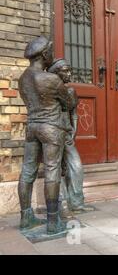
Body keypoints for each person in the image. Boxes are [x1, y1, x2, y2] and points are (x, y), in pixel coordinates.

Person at [18, 37, 76, 235]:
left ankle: (26, 217)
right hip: (51, 128)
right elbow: (68, 104)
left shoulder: (23, 78)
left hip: (32, 127)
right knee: (52, 170)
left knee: (27, 171)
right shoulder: (51, 79)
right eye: (51, 51)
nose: (52, 54)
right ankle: (53, 222)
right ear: (44, 55)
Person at [47, 59, 94, 214]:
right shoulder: (47, 91)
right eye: (65, 71)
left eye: (69, 70)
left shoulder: (70, 91)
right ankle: (61, 204)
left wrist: (74, 130)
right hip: (52, 134)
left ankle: (77, 202)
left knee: (76, 166)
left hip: (66, 134)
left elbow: (73, 113)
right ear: (55, 74)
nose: (69, 74)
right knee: (56, 169)